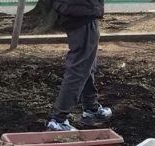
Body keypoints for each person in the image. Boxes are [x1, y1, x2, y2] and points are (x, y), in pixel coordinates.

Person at [45, 0, 113, 131]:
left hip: (76, 9)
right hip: (81, 10)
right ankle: (58, 120)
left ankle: (91, 107)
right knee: (79, 67)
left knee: (87, 63)